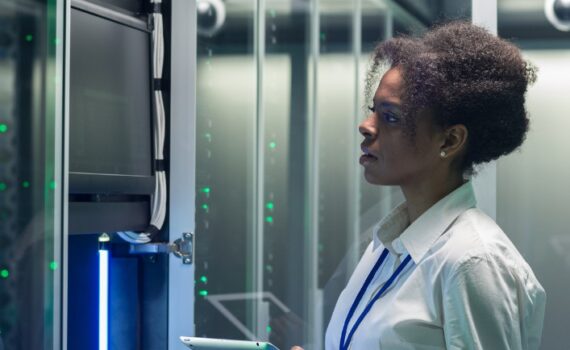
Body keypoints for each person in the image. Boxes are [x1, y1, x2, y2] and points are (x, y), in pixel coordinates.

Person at [293, 21, 546, 350]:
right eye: (373, 111)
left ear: (451, 139)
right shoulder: (386, 245)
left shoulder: (472, 260)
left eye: (391, 116)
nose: (366, 126)